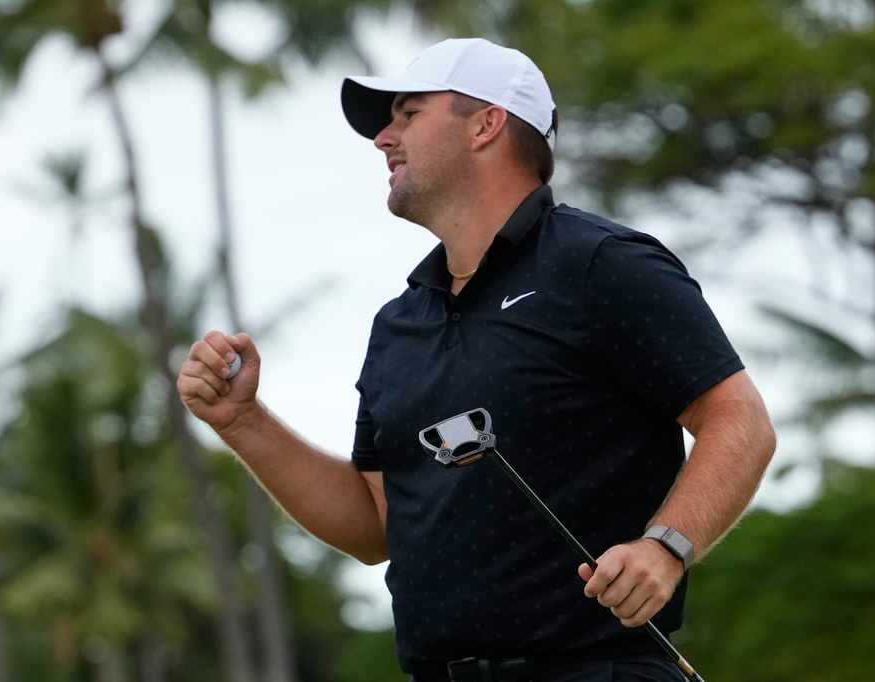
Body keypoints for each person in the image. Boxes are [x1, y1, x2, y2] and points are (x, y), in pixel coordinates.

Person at [177, 38, 776, 682]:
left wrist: (665, 548)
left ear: (486, 124)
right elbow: (375, 525)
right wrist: (243, 422)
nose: (383, 139)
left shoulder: (600, 263)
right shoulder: (399, 324)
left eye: (410, 114)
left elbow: (740, 419)